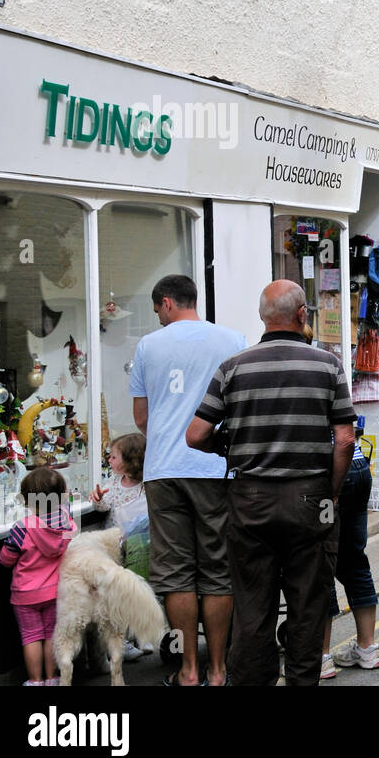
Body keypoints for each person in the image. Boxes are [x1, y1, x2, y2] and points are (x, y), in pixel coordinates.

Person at [186, 280, 357, 686]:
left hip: (249, 500)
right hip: (310, 499)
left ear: (263, 317)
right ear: (302, 315)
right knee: (307, 608)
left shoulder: (233, 367)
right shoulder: (327, 365)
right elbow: (346, 439)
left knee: (252, 608)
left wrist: (227, 448)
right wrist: (330, 493)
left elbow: (195, 435)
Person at [131, 273, 246, 687]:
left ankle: (188, 672)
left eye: (157, 310)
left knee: (176, 573)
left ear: (166, 303)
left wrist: (166, 438)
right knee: (217, 569)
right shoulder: (233, 341)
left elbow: (142, 418)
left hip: (164, 470)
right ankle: (218, 671)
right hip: (214, 468)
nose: (158, 318)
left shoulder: (148, 346)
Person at [0, 467, 77, 685]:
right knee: (52, 635)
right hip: (54, 592)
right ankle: (52, 678)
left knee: (31, 637)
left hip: (25, 595)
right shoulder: (68, 525)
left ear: (28, 500)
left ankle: (35, 681)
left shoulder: (22, 527)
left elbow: (6, 559)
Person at [320, 423, 379, 680]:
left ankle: (320, 657)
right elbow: (347, 436)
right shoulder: (332, 380)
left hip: (326, 468)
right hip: (356, 464)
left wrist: (332, 492)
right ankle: (367, 649)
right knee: (355, 560)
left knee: (320, 562)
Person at [90, 432, 151, 660]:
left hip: (140, 549)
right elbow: (105, 506)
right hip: (115, 549)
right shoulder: (113, 483)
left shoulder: (147, 486)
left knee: (140, 592)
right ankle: (122, 641)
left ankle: (141, 635)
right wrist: (98, 500)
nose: (109, 460)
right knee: (119, 595)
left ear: (131, 460)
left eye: (114, 456)